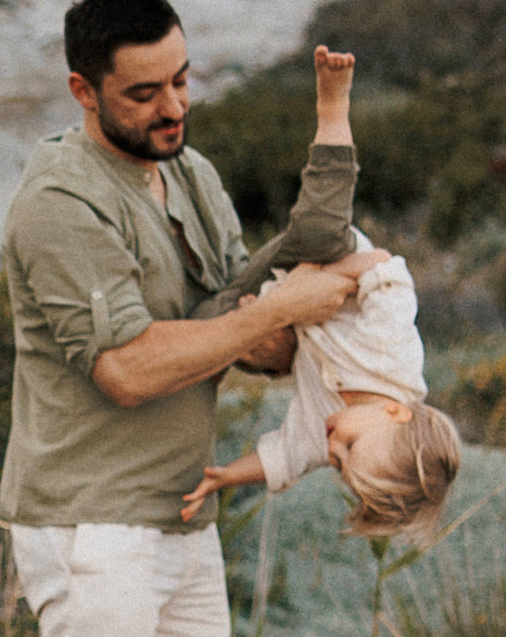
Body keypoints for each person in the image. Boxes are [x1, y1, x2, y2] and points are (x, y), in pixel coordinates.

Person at [0, 0, 364, 637]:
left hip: (182, 513)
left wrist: (321, 313)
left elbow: (246, 336)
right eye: (144, 92)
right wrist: (273, 312)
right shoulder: (58, 202)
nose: (173, 107)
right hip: (91, 524)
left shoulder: (192, 174)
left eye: (182, 80)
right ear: (84, 91)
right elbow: (126, 368)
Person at [183, 45, 464, 534]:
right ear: (396, 413)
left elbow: (285, 459)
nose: (333, 448)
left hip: (275, 300)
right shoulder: (393, 358)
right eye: (350, 447)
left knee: (204, 334)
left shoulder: (324, 430)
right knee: (320, 226)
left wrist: (225, 476)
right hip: (325, 255)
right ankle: (333, 109)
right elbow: (387, 271)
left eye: (338, 464)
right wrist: (322, 279)